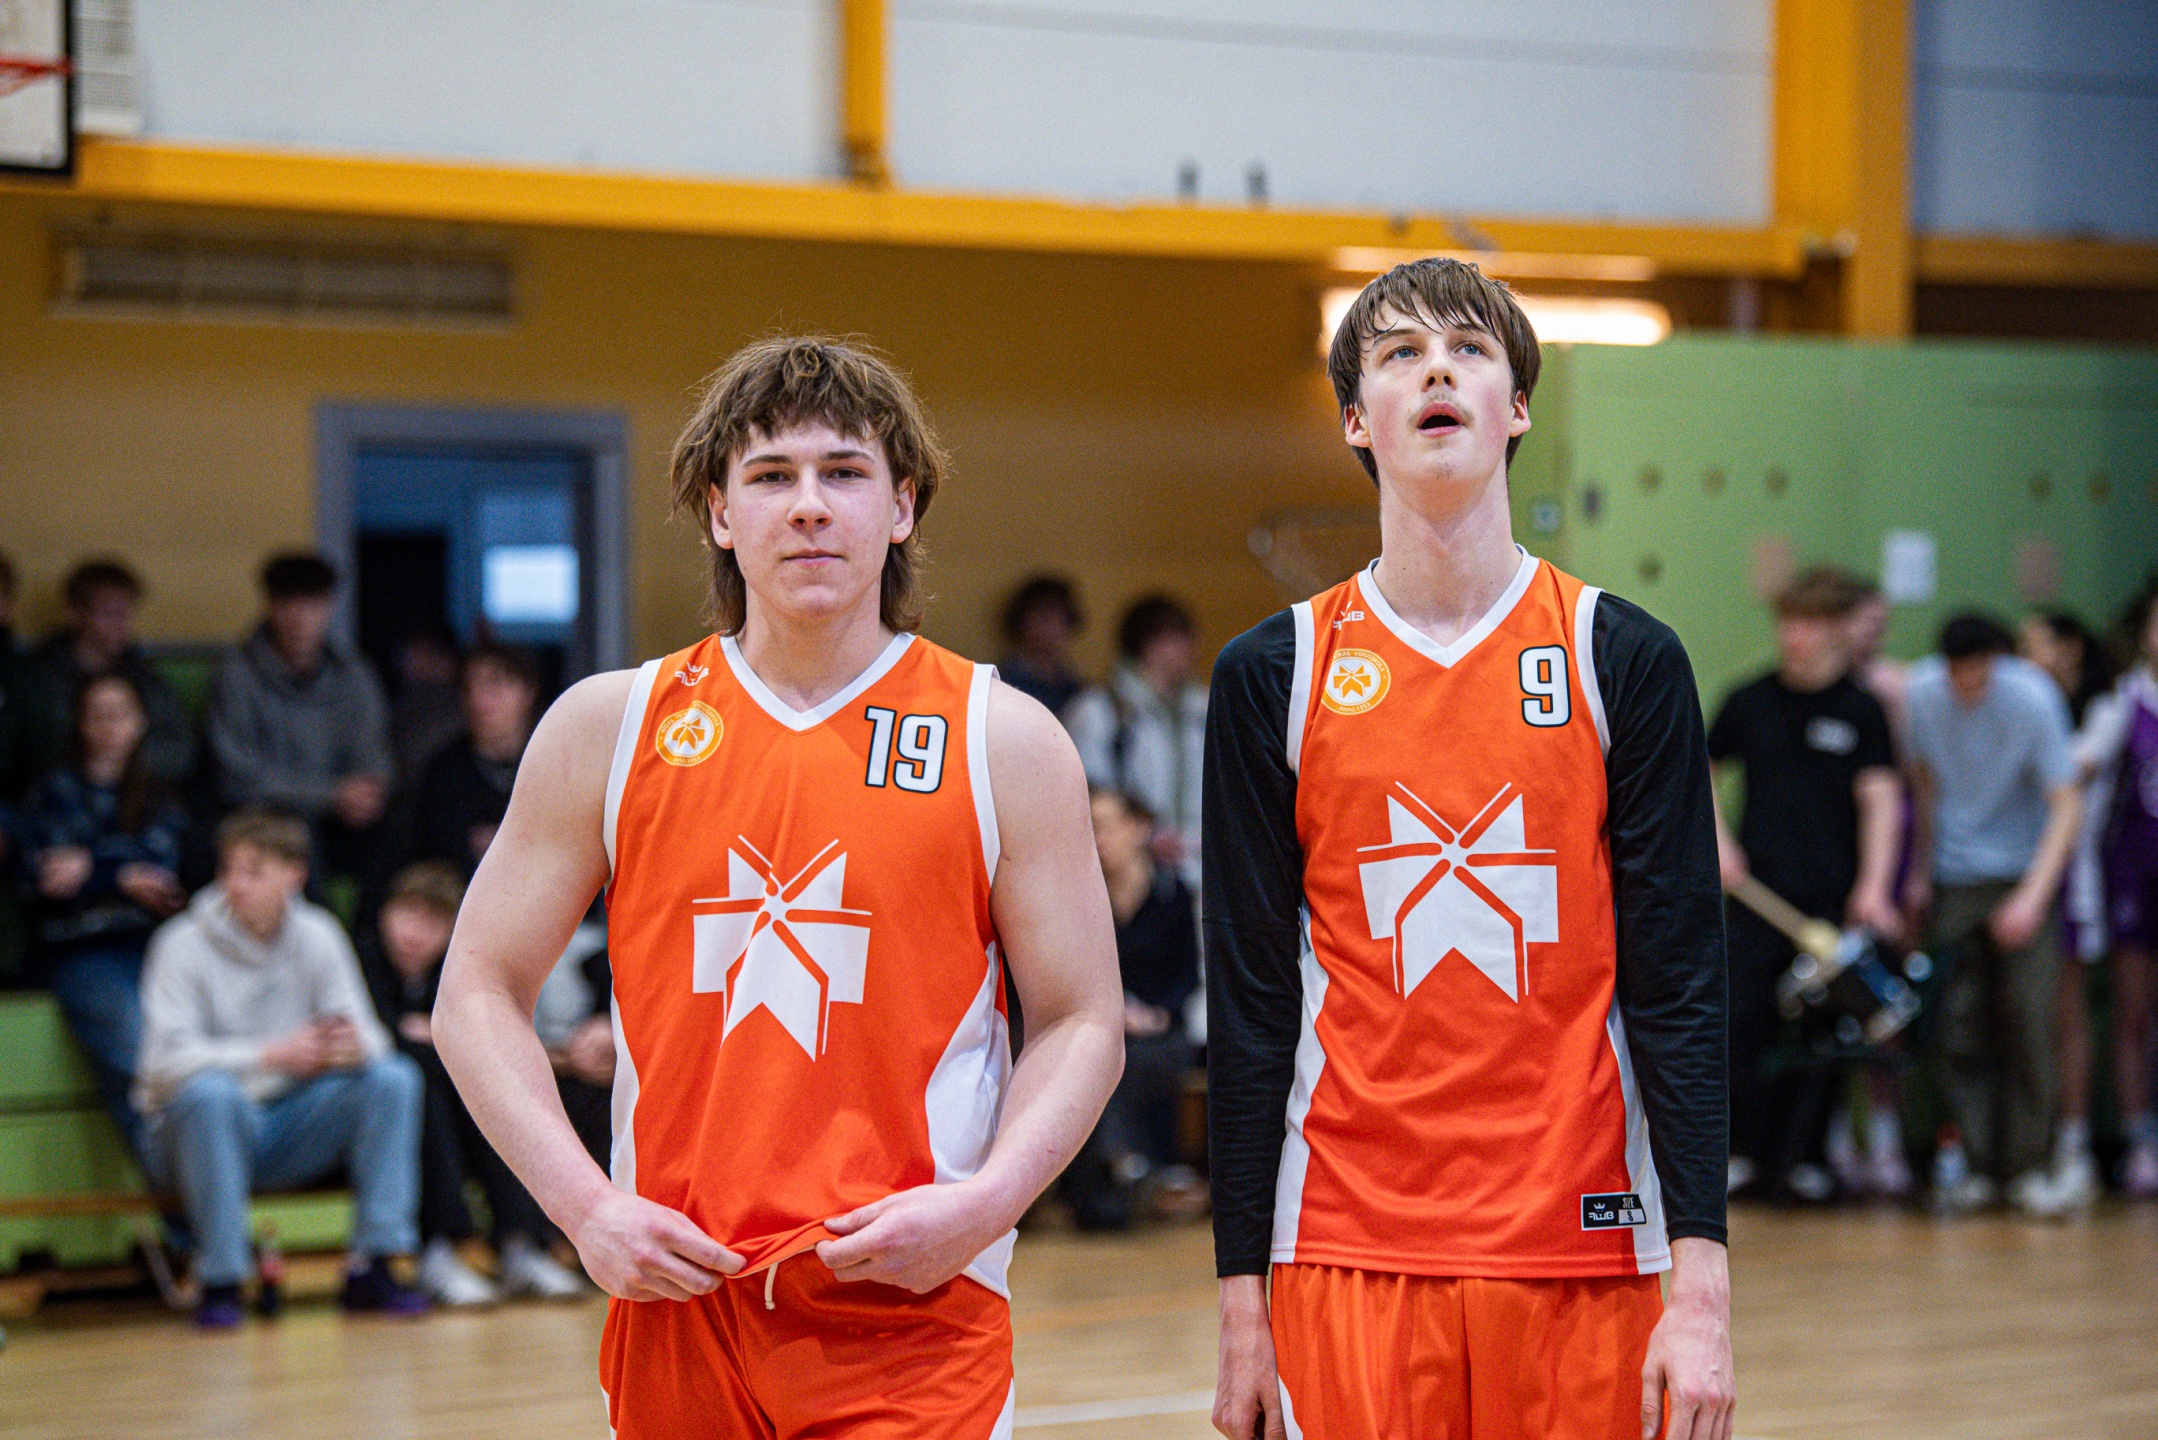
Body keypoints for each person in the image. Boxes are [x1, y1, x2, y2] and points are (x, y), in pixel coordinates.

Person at [431, 336, 1125, 1440]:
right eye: (770, 476)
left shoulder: (1002, 737)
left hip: (913, 1303)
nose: (808, 506)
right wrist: (585, 1209)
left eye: (843, 472)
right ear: (719, 512)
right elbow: (476, 989)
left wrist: (987, 1206)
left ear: (901, 505)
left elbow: (1082, 1017)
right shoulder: (610, 728)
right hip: (679, 1302)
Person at [1206, 258, 1733, 1440]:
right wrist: (1241, 1301)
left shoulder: (1621, 657)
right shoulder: (1273, 675)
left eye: (1468, 350)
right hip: (1343, 1242)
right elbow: (1246, 1003)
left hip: (1585, 1241)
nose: (1435, 370)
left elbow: (1681, 988)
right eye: (1399, 354)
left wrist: (1701, 1289)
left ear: (1517, 407)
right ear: (1356, 419)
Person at [135, 810, 428, 1328]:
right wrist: (271, 1054)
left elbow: (375, 1041)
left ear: (294, 875)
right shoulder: (181, 943)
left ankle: (375, 1263)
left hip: (291, 1122)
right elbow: (161, 1064)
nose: (236, 884)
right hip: (194, 1135)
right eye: (229, 869)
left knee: (393, 1079)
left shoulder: (318, 934)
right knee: (212, 1097)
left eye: (254, 871)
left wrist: (342, 1049)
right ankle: (221, 1279)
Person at [1709, 567, 1901, 1203]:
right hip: (1756, 896)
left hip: (1830, 902)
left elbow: (1880, 801)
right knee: (1742, 1020)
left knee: (1825, 1035)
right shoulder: (1749, 700)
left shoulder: (1861, 710)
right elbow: (1699, 769)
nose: (1797, 636)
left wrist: (1874, 887)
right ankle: (1742, 1153)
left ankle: (1809, 1160)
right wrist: (1719, 843)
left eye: (1812, 623)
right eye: (1789, 622)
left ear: (1840, 631)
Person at [1902, 614, 2081, 1216]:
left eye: (1977, 672)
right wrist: (1921, 872)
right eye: (1956, 672)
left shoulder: (2033, 698)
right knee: (1957, 1023)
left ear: (1997, 662)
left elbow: (2067, 804)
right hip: (1955, 876)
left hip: (2022, 873)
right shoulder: (1922, 695)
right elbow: (1925, 786)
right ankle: (1975, 1165)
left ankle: (2030, 1166)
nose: (1966, 684)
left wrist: (2032, 897)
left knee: (2030, 1019)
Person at [361, 860, 587, 1305]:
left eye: (432, 922)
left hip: (446, 1099)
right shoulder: (361, 958)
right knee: (423, 1087)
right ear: (384, 912)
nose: (414, 934)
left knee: (489, 1092)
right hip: (383, 1107)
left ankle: (520, 1242)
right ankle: (439, 1250)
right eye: (406, 914)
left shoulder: (454, 973)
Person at [19, 672, 190, 1157]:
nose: (109, 726)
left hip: (156, 949)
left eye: (121, 714)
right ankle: (172, 1180)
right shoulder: (52, 792)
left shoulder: (161, 796)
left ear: (141, 722)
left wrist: (91, 867)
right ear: (79, 722)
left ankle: (194, 1169)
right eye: (98, 714)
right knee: (135, 1053)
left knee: (187, 1055)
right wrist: (121, 874)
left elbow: (163, 870)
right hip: (80, 951)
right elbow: (45, 878)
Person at [1062, 788, 1203, 1231]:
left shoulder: (1173, 893)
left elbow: (1188, 976)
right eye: (1089, 827)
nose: (1097, 838)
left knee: (1126, 1062)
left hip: (1160, 1032)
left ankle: (1123, 1172)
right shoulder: (1076, 895)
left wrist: (1157, 1014)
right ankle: (1131, 1173)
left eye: (1104, 826)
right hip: (1094, 1028)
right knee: (1098, 1059)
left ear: (1137, 827)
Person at [2018, 609, 2120, 1211]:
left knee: (2067, 1014)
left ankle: (2074, 1145)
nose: (2025, 659)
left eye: (2036, 645)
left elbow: (2060, 772)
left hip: (2077, 879)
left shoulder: (2103, 709)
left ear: (2071, 648)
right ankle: (2033, 1148)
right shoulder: (2030, 705)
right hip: (2024, 869)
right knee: (2030, 1018)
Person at [207, 553, 392, 884]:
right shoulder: (236, 674)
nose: (299, 618)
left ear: (329, 607)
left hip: (342, 819)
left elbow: (374, 751)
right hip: (265, 814)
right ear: (268, 605)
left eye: (311, 605)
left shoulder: (354, 674)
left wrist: (369, 790)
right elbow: (237, 777)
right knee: (294, 833)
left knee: (397, 831)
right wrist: (327, 795)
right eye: (287, 604)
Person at [2081, 587, 2158, 1196]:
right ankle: (2139, 1139)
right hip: (2135, 874)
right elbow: (2078, 784)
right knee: (2134, 1010)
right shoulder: (2122, 704)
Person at [1065, 595, 1207, 888]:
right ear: (1150, 645)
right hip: (1124, 876)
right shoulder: (1099, 710)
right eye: (1176, 638)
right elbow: (1083, 795)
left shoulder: (1205, 707)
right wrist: (1142, 836)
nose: (1190, 649)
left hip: (1200, 873)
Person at [23, 559, 195, 787]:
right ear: (74, 613)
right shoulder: (36, 678)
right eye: (109, 614)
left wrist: (122, 763)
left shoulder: (146, 679)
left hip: (137, 797)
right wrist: (88, 762)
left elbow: (180, 752)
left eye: (126, 614)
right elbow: (26, 755)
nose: (121, 624)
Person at [409, 642, 538, 875]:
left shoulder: (555, 762)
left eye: (496, 683)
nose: (481, 698)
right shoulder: (445, 768)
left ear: (528, 692)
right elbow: (432, 849)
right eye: (471, 686)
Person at [996, 575, 1087, 716]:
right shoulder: (1000, 683)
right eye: (1040, 617)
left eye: (1056, 617)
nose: (1048, 627)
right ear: (1022, 622)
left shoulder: (1077, 691)